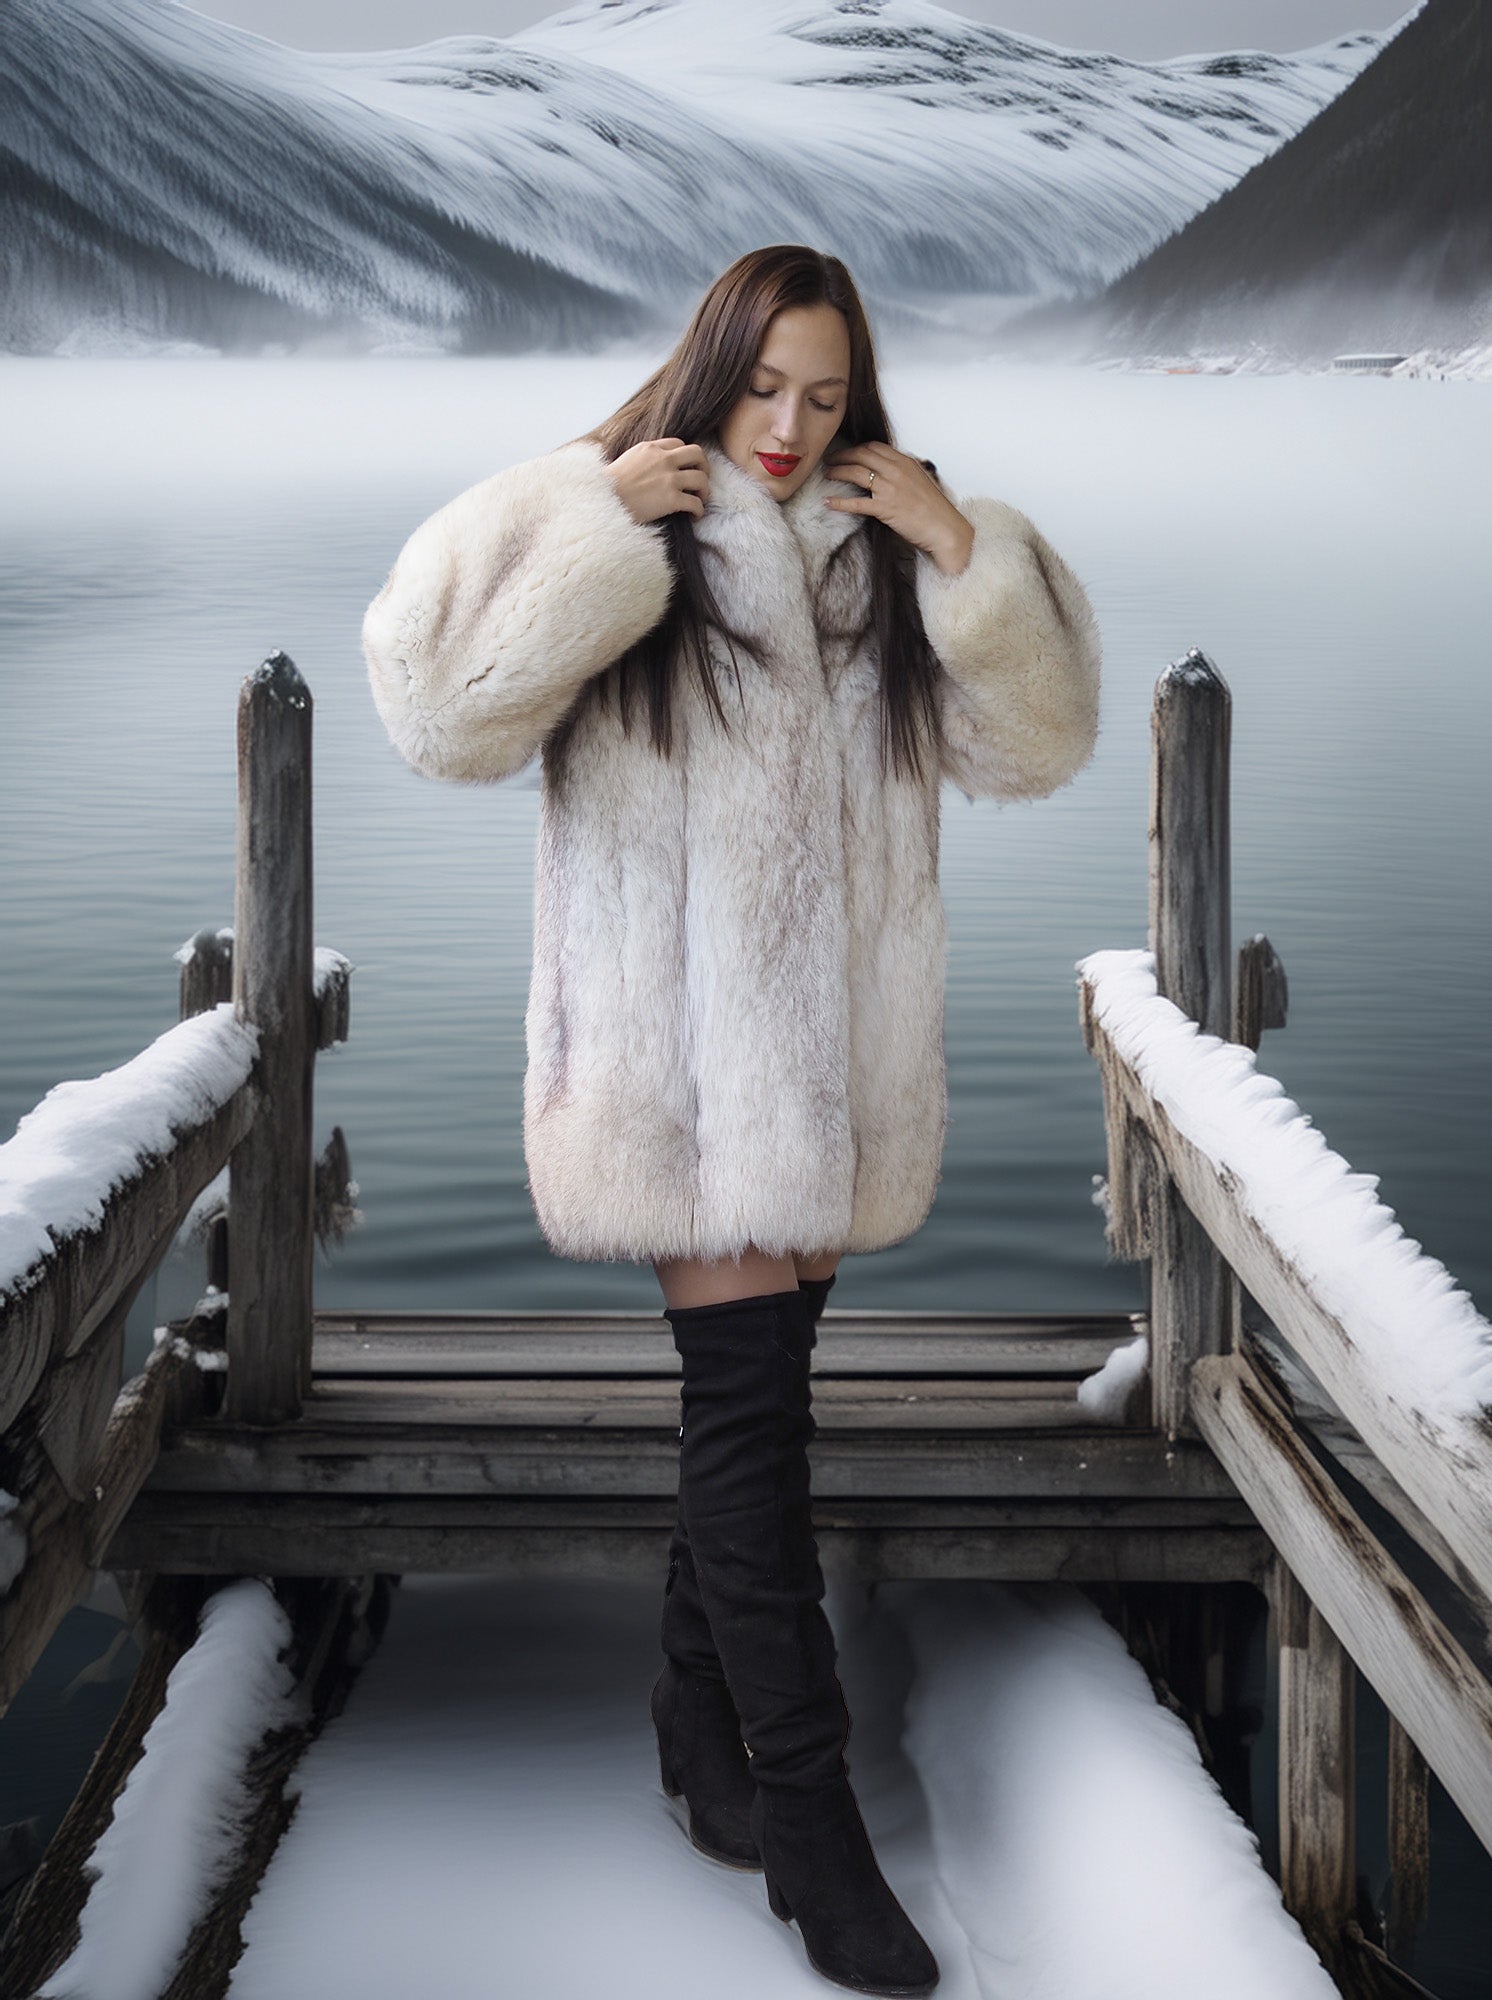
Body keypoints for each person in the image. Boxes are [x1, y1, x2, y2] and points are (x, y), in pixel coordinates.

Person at [362, 243, 1101, 1997]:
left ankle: (700, 1741)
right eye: (764, 386)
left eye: (827, 396)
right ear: (710, 370)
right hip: (672, 1070)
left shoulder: (874, 555)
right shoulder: (627, 539)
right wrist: (577, 511)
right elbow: (431, 708)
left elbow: (1041, 745)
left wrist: (959, 548)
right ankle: (810, 1825)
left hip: (835, 1073)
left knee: (752, 1424)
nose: (788, 428)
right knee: (756, 1430)